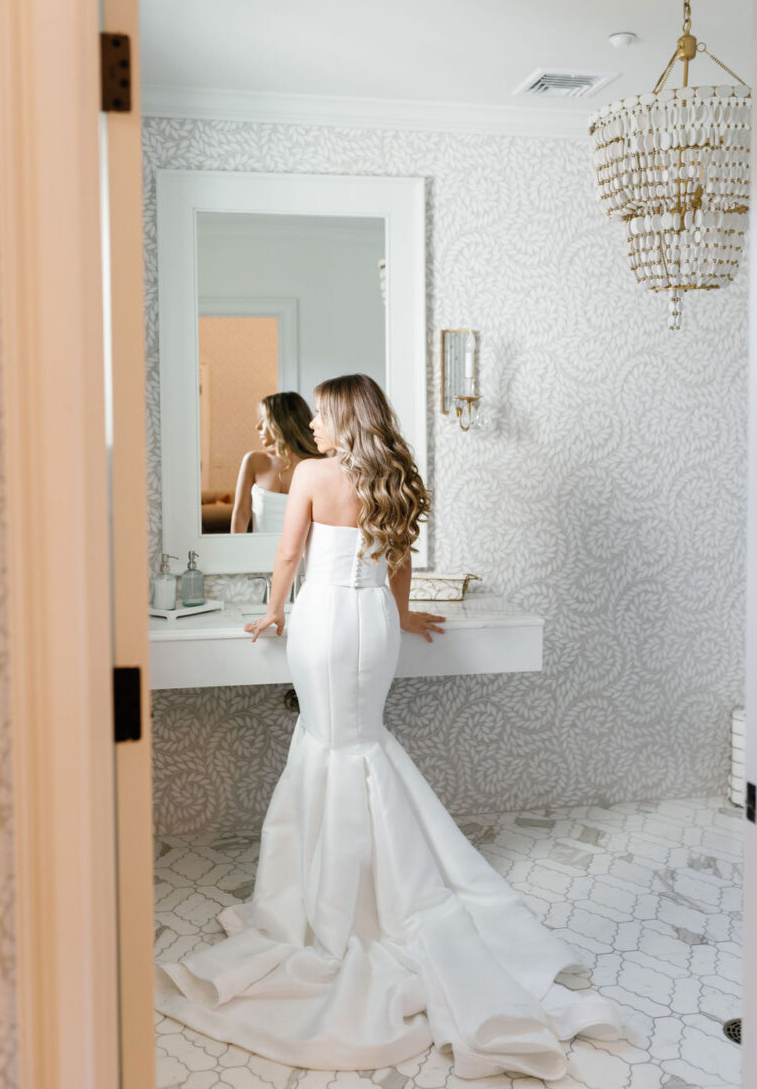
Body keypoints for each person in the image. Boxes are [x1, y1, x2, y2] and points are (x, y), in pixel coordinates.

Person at [155, 373, 624, 1079]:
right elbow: (398, 564)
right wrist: (399, 617)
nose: (312, 426)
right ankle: (374, 881)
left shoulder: (313, 473)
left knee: (330, 745)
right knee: (358, 744)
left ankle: (336, 901)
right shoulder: (392, 471)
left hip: (322, 625)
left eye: (321, 414)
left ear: (345, 418)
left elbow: (287, 556)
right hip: (373, 626)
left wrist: (275, 608)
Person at [230, 391, 322, 533]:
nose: (258, 426)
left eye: (264, 419)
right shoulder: (254, 461)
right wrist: (235, 552)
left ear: (283, 423)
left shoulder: (319, 464)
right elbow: (241, 515)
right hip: (259, 552)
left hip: (303, 553)